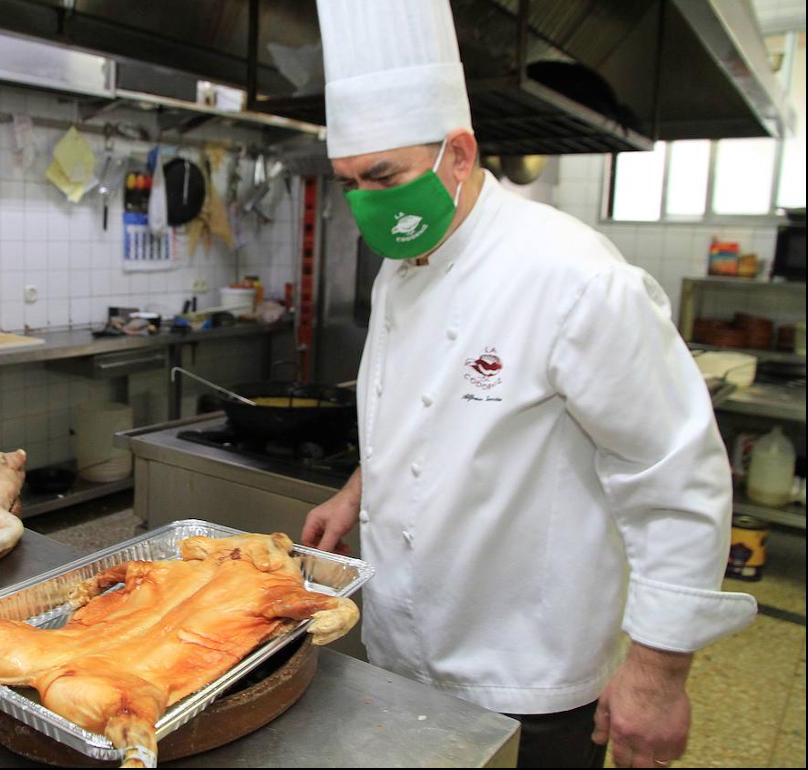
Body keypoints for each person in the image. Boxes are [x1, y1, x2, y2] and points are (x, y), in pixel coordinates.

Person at [302, 2, 757, 768]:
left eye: (383, 177)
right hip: (399, 649)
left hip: (525, 672)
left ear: (458, 153)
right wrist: (357, 490)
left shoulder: (574, 278)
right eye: (349, 183)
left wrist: (656, 674)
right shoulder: (401, 272)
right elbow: (422, 411)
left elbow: (675, 478)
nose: (367, 204)